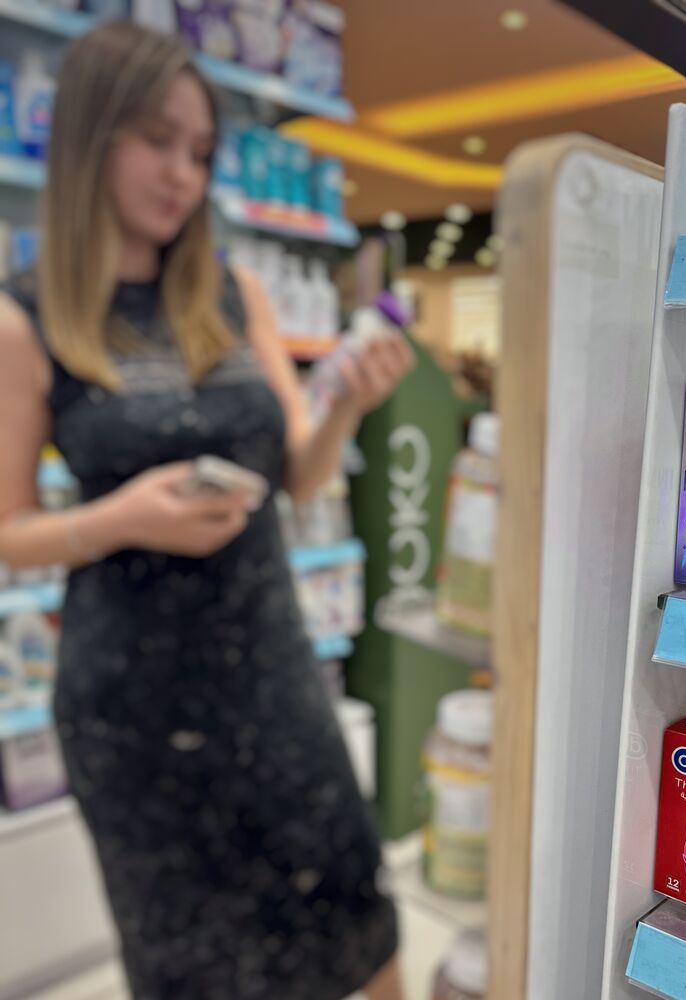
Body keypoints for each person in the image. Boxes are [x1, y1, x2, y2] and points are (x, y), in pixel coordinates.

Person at [0, 21, 412, 1000]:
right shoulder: (24, 319)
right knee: (194, 963)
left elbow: (297, 477)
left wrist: (345, 403)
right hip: (132, 705)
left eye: (199, 151)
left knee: (353, 903)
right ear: (91, 136)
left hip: (270, 666)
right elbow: (7, 530)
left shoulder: (235, 295)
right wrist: (119, 519)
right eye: (157, 141)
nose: (182, 174)